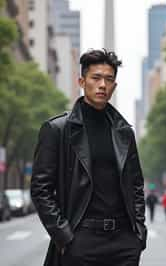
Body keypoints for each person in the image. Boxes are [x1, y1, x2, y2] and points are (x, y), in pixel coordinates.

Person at [31, 48, 147, 266]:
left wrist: (138, 233)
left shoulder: (124, 132)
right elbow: (40, 189)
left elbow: (136, 185)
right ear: (81, 82)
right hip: (80, 240)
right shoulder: (57, 129)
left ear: (114, 86)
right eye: (96, 78)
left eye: (109, 79)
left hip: (123, 243)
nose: (103, 84)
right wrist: (64, 236)